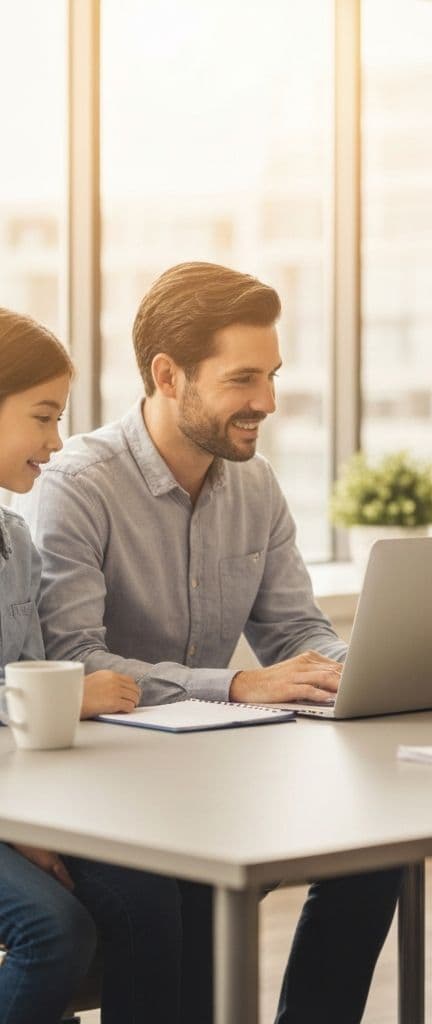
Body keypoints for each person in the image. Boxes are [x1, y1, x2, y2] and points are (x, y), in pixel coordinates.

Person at [19, 264, 402, 1023]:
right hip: (108, 785)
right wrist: (234, 685)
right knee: (174, 899)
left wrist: (380, 667)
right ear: (169, 376)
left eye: (272, 376)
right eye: (243, 379)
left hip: (220, 772)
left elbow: (295, 631)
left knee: (378, 849)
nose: (268, 402)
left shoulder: (255, 486)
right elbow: (73, 661)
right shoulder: (78, 485)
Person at [0, 308, 181, 1024]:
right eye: (42, 417)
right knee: (53, 930)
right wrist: (65, 698)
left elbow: (28, 684)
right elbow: (33, 695)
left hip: (19, 798)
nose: (56, 441)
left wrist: (35, 819)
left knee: (152, 897)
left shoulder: (18, 541)